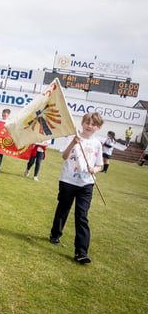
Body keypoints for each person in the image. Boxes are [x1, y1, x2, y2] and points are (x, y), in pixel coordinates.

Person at [49, 112, 104, 265]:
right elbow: (64, 156)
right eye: (87, 122)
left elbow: (100, 165)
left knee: (82, 215)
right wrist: (73, 143)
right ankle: (55, 234)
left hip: (86, 184)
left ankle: (81, 251)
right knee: (63, 209)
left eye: (93, 124)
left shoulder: (97, 144)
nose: (89, 126)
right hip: (68, 180)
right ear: (82, 123)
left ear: (98, 127)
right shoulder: (72, 137)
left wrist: (95, 170)